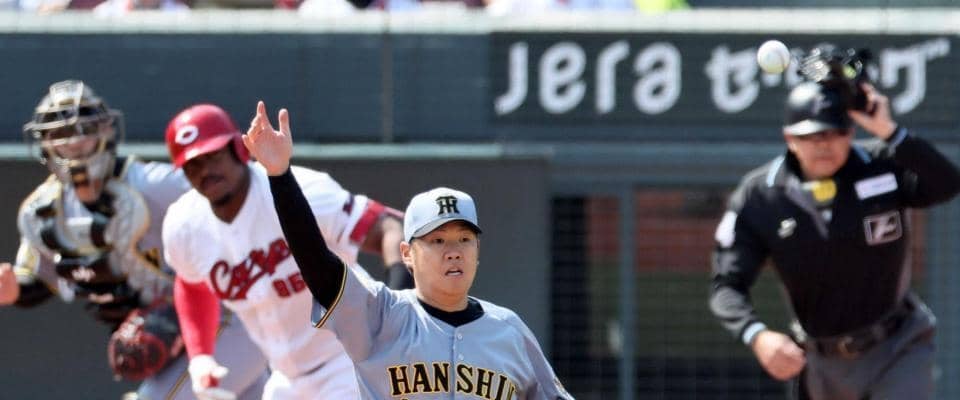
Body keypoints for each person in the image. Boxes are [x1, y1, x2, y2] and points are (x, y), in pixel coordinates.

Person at [242, 101, 574, 399]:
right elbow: (318, 265)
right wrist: (280, 176)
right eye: (437, 240)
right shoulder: (381, 316)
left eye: (464, 239)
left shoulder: (509, 330)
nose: (454, 251)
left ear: (477, 250)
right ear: (406, 253)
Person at [0, 80, 268, 400]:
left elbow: (239, 196)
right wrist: (12, 287)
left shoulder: (151, 185)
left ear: (105, 130)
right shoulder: (41, 213)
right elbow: (39, 278)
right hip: (179, 333)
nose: (73, 142)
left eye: (84, 129)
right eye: (61, 133)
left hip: (227, 314)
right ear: (44, 143)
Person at [709, 80, 960, 399]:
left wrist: (889, 131)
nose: (823, 145)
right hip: (819, 361)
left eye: (834, 133)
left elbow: (947, 183)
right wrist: (756, 335)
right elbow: (726, 285)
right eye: (810, 136)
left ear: (851, 132)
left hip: (897, 345)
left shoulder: (882, 165)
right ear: (789, 138)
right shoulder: (761, 196)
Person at [161, 102, 412, 399]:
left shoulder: (300, 188)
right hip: (286, 378)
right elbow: (191, 284)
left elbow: (387, 228)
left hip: (350, 361)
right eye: (193, 164)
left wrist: (400, 300)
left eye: (212, 155)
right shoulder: (184, 226)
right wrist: (200, 356)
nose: (205, 171)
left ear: (238, 148)